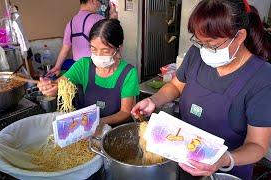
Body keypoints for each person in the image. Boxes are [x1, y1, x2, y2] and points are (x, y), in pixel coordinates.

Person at [131, 0, 271, 179]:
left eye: (212, 45)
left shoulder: (262, 77)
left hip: (225, 171)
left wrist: (224, 159)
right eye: (199, 42)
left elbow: (257, 146)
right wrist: (154, 100)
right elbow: (175, 86)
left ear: (240, 36)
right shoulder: (197, 54)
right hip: (182, 159)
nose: (204, 49)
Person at [38, 19, 140, 128]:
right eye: (93, 49)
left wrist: (98, 122)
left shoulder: (128, 73)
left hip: (114, 132)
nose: (98, 55)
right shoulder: (83, 66)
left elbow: (125, 112)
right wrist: (49, 87)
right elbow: (58, 86)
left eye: (105, 51)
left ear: (118, 48)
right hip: (86, 130)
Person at [46, 0, 105, 77]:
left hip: (77, 70)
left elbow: (64, 50)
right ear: (92, 1)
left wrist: (57, 67)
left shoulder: (70, 23)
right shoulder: (99, 19)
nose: (100, 4)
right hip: (96, 69)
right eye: (99, 1)